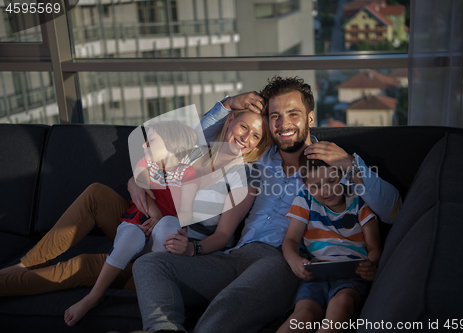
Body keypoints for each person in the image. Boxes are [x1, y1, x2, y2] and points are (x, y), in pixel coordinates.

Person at [131, 76, 402, 333]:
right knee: (150, 265)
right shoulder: (257, 155)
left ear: (310, 117)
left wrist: (351, 165)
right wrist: (227, 105)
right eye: (275, 116)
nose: (283, 124)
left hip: (281, 263)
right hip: (233, 256)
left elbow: (393, 212)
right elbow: (196, 142)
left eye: (293, 114)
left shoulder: (330, 166)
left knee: (221, 314)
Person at [0, 110, 271, 323]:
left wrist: (191, 249)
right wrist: (135, 182)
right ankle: (25, 262)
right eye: (244, 127)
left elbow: (223, 236)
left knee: (86, 265)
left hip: (169, 250)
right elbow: (158, 167)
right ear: (232, 120)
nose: (246, 137)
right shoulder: (200, 150)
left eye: (256, 136)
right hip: (148, 221)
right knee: (96, 193)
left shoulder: (245, 178)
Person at [64, 120, 201, 326]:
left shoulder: (188, 174)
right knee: (131, 236)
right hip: (137, 223)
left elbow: (186, 212)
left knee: (170, 225)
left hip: (159, 237)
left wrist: (164, 221)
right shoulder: (145, 164)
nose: (144, 145)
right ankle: (94, 295)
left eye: (151, 140)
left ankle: (150, 276)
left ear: (173, 145)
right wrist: (154, 212)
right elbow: (142, 190)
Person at [277, 154, 381, 333]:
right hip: (316, 275)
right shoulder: (305, 200)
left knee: (342, 303)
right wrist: (294, 260)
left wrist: (371, 265)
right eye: (316, 186)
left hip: (353, 275)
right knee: (304, 314)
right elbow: (291, 240)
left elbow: (374, 247)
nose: (326, 191)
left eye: (332, 181)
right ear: (306, 186)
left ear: (342, 175)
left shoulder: (358, 199)